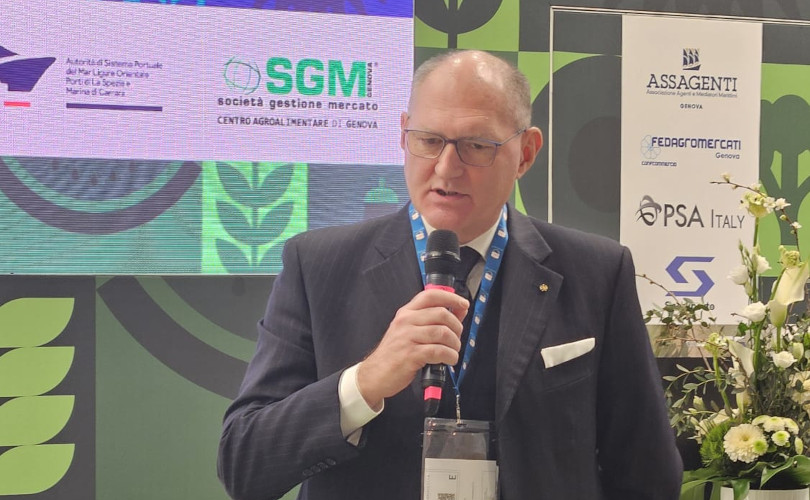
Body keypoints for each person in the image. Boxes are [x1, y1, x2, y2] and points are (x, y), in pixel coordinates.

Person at [217, 50, 683, 500]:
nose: (446, 168)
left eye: (476, 146)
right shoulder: (318, 266)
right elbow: (244, 465)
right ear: (403, 135)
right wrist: (365, 382)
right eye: (428, 141)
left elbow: (647, 474)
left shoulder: (597, 271)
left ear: (526, 153)